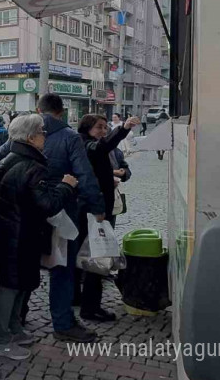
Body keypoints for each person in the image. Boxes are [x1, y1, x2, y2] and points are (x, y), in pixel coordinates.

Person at [0, 94, 103, 342]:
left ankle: (17, 318)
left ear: (39, 109)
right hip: (60, 211)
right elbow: (84, 175)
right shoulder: (69, 137)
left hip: (28, 216)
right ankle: (62, 323)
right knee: (61, 268)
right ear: (61, 112)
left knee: (24, 267)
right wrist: (97, 207)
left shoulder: (19, 135)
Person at [0, 114, 78, 360]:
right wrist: (66, 185)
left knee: (20, 284)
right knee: (10, 286)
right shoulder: (30, 165)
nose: (45, 135)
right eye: (41, 132)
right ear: (30, 137)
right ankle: (1, 339)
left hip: (16, 233)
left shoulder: (11, 158)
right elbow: (47, 204)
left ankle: (14, 329)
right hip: (19, 235)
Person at [75, 114, 141, 322]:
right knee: (96, 260)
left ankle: (82, 301)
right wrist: (123, 128)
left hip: (98, 207)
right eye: (99, 128)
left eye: (105, 127)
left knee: (92, 259)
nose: (103, 131)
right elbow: (102, 148)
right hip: (94, 209)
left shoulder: (94, 145)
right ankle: (89, 307)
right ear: (87, 129)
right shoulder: (86, 145)